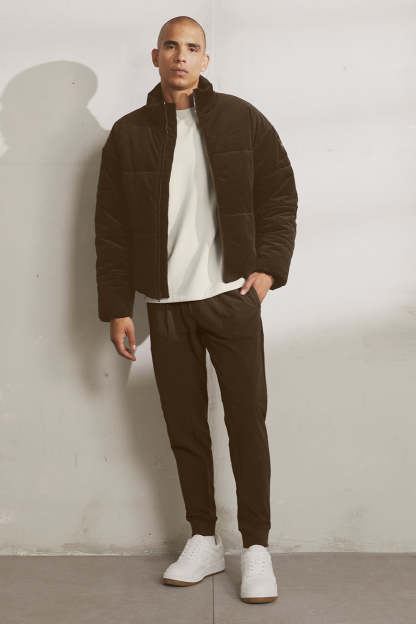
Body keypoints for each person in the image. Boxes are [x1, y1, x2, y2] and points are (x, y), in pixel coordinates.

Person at [94, 15, 298, 604]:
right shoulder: (128, 133)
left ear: (205, 60)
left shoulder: (240, 118)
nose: (180, 56)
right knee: (185, 429)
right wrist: (118, 306)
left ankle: (255, 547)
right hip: (166, 306)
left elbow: (279, 195)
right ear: (155, 56)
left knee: (246, 424)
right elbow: (110, 226)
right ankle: (204, 539)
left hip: (231, 297)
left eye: (192, 47)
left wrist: (267, 271)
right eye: (171, 46)